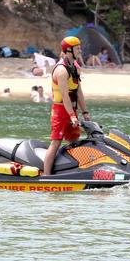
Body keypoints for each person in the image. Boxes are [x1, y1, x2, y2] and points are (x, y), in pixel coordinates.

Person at [43, 36, 90, 176]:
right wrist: (71, 116)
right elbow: (64, 96)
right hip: (61, 111)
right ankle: (46, 175)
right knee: (56, 142)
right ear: (68, 51)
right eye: (77, 48)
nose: (80, 50)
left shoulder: (75, 67)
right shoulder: (61, 71)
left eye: (80, 48)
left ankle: (72, 171)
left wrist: (85, 112)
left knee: (74, 141)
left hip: (72, 110)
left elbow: (78, 91)